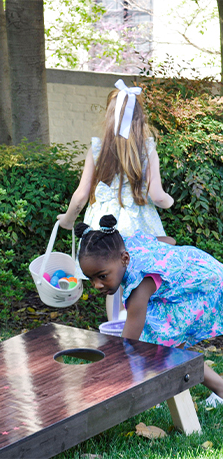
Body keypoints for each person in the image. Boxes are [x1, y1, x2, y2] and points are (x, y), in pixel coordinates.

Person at [75, 214, 223, 407]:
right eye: (91, 278)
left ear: (124, 258)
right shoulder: (124, 245)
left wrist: (110, 371)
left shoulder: (140, 283)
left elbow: (128, 342)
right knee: (166, 346)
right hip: (192, 271)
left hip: (201, 284)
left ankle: (154, 390)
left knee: (163, 344)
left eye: (102, 276)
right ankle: (217, 388)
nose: (96, 285)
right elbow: (169, 240)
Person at [57, 79, 174, 319]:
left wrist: (68, 220)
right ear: (140, 118)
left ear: (109, 118)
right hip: (138, 225)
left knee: (111, 280)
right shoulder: (147, 150)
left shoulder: (97, 149)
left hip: (103, 226)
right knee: (138, 277)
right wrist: (170, 202)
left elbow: (80, 196)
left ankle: (115, 330)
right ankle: (139, 327)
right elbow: (157, 195)